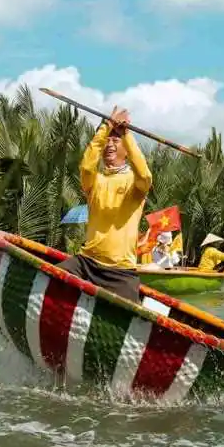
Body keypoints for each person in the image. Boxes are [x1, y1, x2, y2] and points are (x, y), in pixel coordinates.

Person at [56, 107, 152, 302]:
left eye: (115, 140)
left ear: (126, 148)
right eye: (107, 140)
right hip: (86, 262)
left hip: (120, 271)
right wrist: (106, 127)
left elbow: (145, 174)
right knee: (50, 278)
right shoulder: (94, 180)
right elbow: (86, 166)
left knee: (128, 318)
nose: (109, 144)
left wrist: (125, 133)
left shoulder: (135, 183)